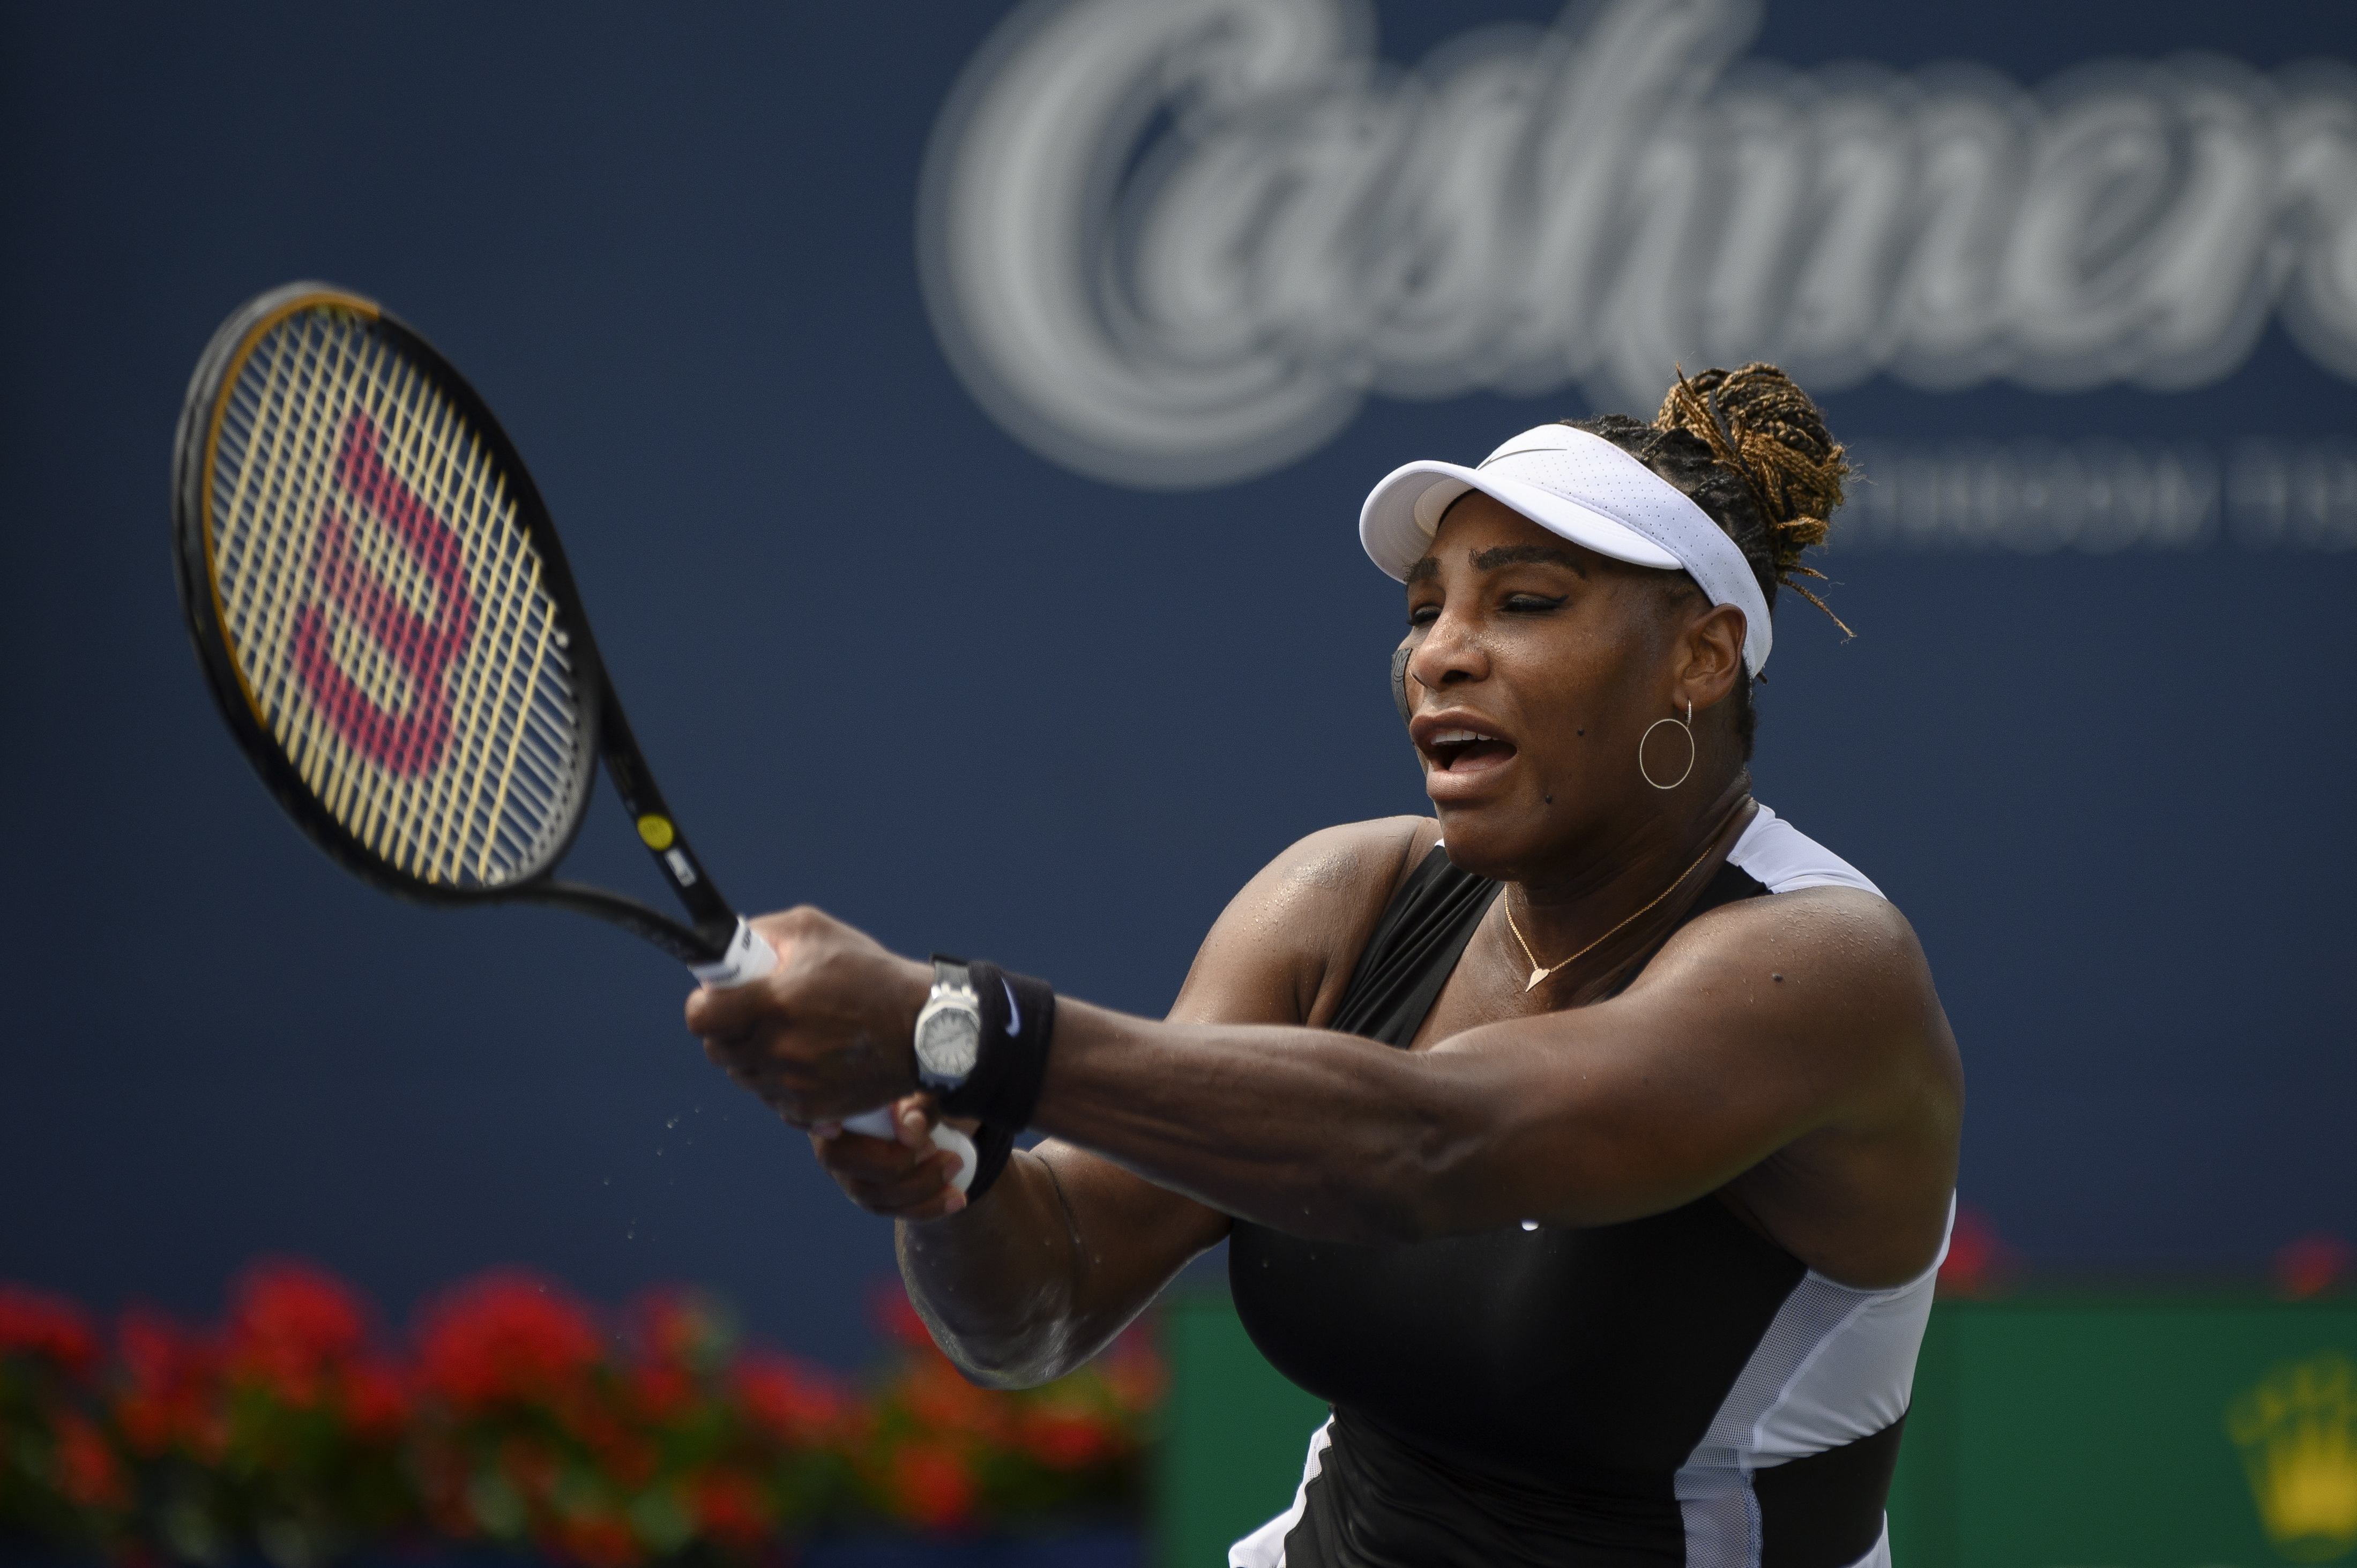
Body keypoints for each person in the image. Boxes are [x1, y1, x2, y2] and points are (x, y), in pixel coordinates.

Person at [687, 363, 1964, 1568]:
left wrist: (957, 1024)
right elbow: (1047, 1293)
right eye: (1425, 612)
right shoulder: (1343, 899)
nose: (1439, 654)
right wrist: (948, 1175)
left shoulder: (1823, 967)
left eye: (1523, 602)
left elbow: (1430, 1147)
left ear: (1701, 654)